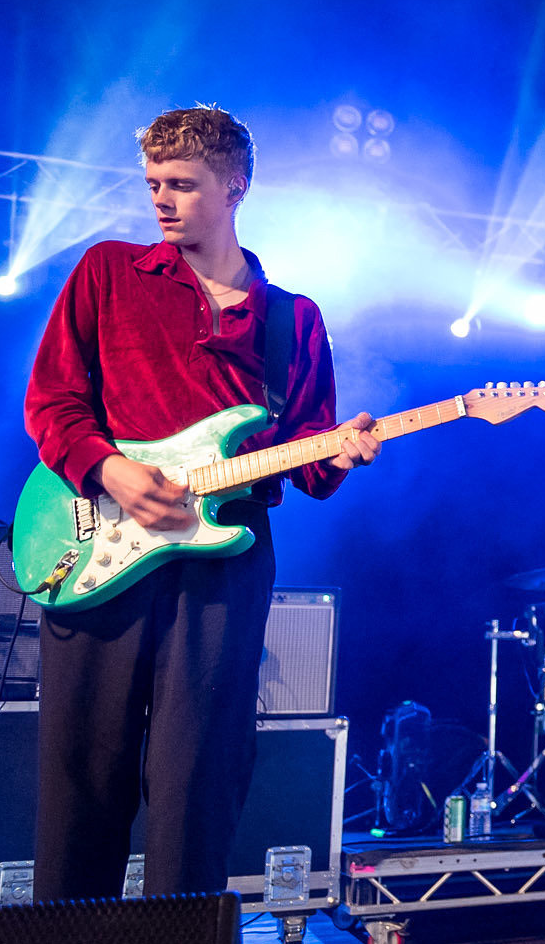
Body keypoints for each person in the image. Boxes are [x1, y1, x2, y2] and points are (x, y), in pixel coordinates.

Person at [24, 105, 379, 900]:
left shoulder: (293, 318)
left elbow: (313, 467)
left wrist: (345, 450)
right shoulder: (109, 272)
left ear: (235, 186)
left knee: (198, 785)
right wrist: (111, 470)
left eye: (181, 184)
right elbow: (50, 402)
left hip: (226, 566)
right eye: (153, 182)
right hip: (101, 547)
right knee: (82, 780)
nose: (161, 199)